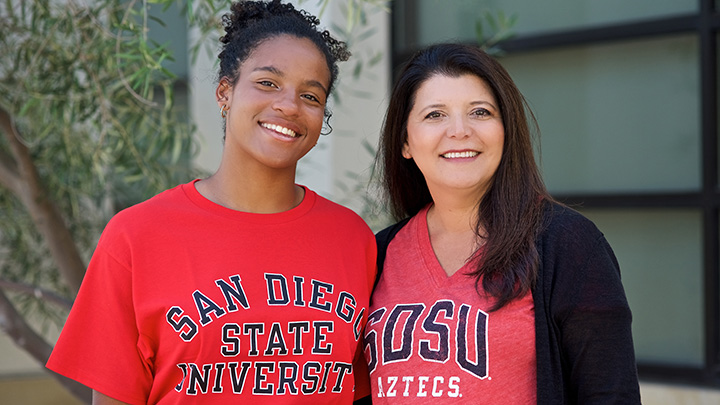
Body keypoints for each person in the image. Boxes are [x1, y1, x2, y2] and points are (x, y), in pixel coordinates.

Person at [47, 1, 375, 403]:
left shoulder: (352, 240)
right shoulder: (136, 237)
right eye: (268, 83)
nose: (289, 105)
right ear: (225, 92)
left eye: (310, 95)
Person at [364, 43, 641, 404]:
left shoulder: (567, 244)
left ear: (506, 130)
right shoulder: (378, 253)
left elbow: (610, 394)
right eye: (435, 115)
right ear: (405, 141)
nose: (460, 130)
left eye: (480, 112)